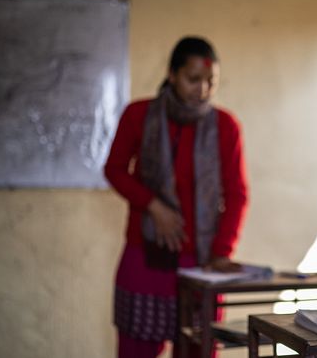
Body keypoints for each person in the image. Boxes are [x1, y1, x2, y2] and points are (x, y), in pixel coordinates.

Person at [104, 36, 248, 358]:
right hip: (145, 259)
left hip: (201, 264)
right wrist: (154, 206)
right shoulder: (139, 115)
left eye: (211, 82)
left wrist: (221, 252)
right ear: (172, 74)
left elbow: (237, 195)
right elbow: (114, 170)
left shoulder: (225, 127)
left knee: (198, 348)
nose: (203, 90)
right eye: (193, 79)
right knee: (135, 350)